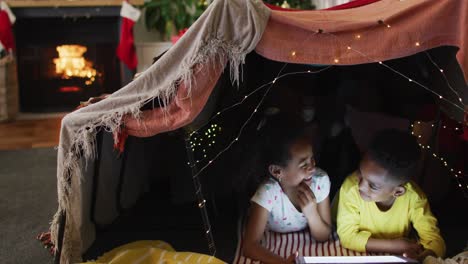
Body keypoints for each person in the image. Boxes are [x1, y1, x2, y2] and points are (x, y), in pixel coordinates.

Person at [335, 128, 446, 261]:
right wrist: (394, 246)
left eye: (373, 186)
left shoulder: (414, 198)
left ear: (398, 192)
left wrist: (425, 256)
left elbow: (435, 241)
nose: (361, 186)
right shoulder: (351, 189)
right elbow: (348, 238)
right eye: (360, 173)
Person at [242, 112, 332, 264]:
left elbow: (324, 236)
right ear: (277, 171)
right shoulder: (268, 193)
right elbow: (249, 246)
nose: (312, 168)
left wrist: (312, 214)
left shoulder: (320, 182)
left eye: (312, 159)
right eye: (303, 164)